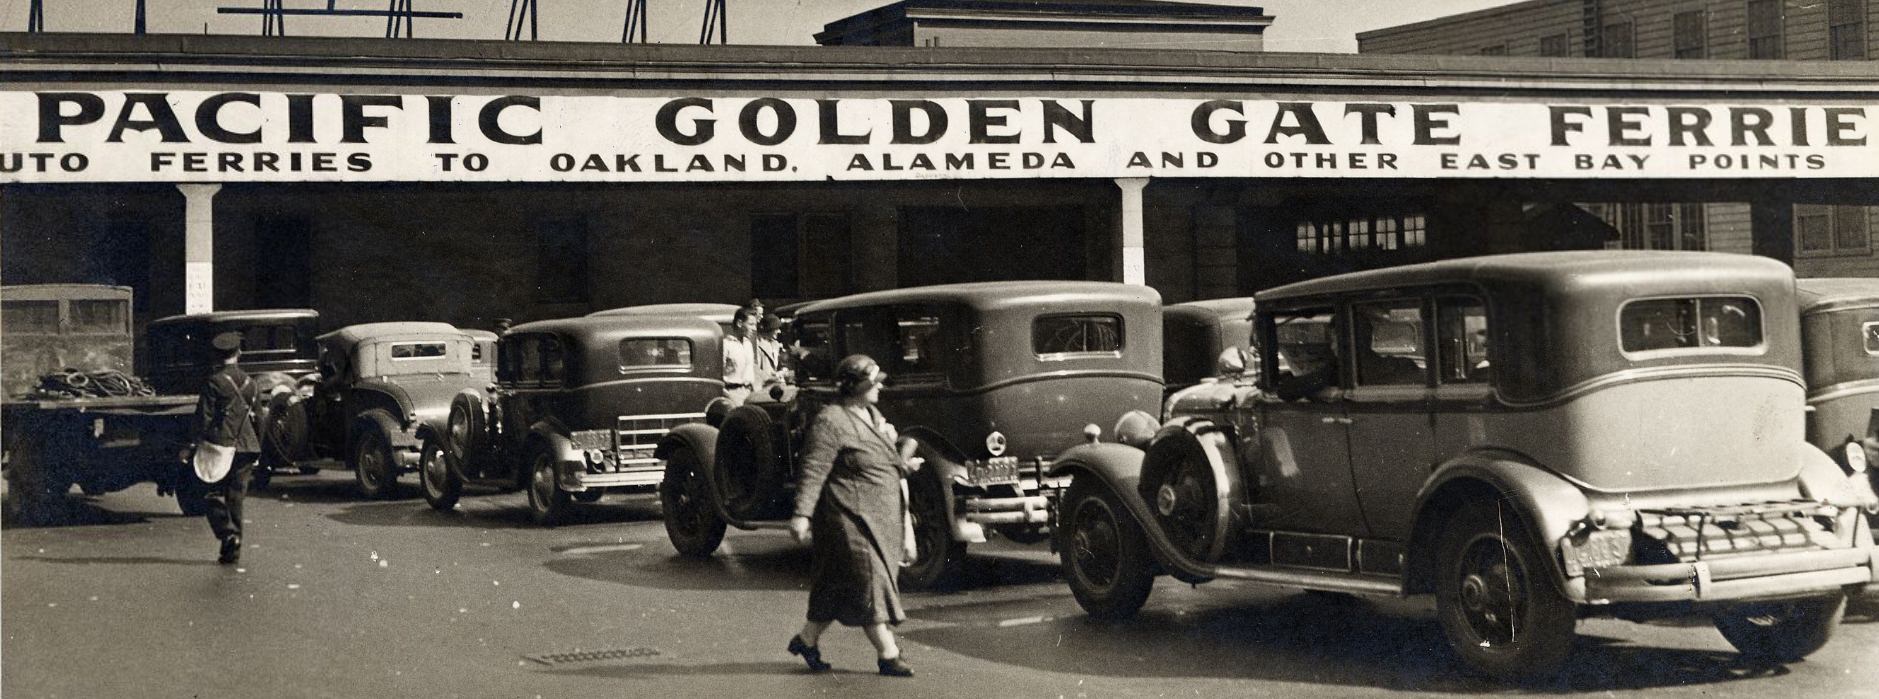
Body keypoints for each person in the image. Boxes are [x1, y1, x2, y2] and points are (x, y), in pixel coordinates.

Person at [786, 354, 921, 678]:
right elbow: (814, 470)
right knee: (868, 581)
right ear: (856, 386)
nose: (879, 389)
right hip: (849, 517)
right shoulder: (831, 421)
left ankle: (807, 640)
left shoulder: (872, 414)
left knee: (836, 586)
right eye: (873, 383)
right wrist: (802, 515)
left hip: (880, 516)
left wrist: (902, 464)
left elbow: (877, 458)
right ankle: (888, 655)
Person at [185, 331, 263, 564]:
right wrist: (258, 448)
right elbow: (259, 418)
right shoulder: (252, 384)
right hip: (247, 446)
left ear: (217, 356)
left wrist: (190, 445)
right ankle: (233, 550)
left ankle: (227, 532)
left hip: (219, 445)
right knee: (236, 497)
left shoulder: (214, 382)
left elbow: (204, 417)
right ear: (239, 353)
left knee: (206, 490)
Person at [722, 306, 758, 406]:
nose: (754, 329)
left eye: (755, 325)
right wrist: (728, 396)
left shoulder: (748, 344)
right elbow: (717, 374)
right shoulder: (726, 345)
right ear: (739, 324)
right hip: (732, 394)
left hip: (750, 394)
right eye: (751, 324)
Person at [753, 313, 789, 392]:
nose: (779, 331)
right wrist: (772, 376)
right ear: (768, 329)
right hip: (764, 388)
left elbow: (780, 364)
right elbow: (756, 370)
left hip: (777, 386)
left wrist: (783, 370)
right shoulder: (757, 345)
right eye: (776, 329)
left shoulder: (776, 344)